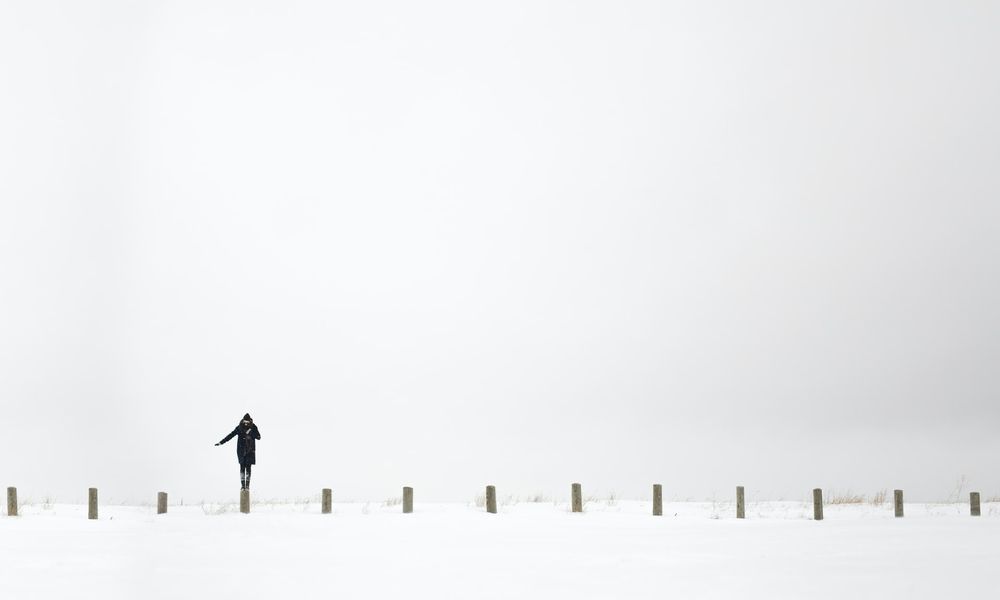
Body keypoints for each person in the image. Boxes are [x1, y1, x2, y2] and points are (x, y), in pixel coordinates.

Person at [215, 413, 261, 490]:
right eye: (245, 422)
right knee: (242, 467)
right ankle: (243, 486)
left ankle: (248, 486)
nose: (246, 423)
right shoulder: (239, 428)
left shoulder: (253, 427)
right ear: (243, 421)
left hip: (250, 451)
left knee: (248, 468)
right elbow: (230, 435)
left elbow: (259, 437)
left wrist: (251, 432)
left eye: (247, 422)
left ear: (250, 421)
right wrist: (221, 442)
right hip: (241, 450)